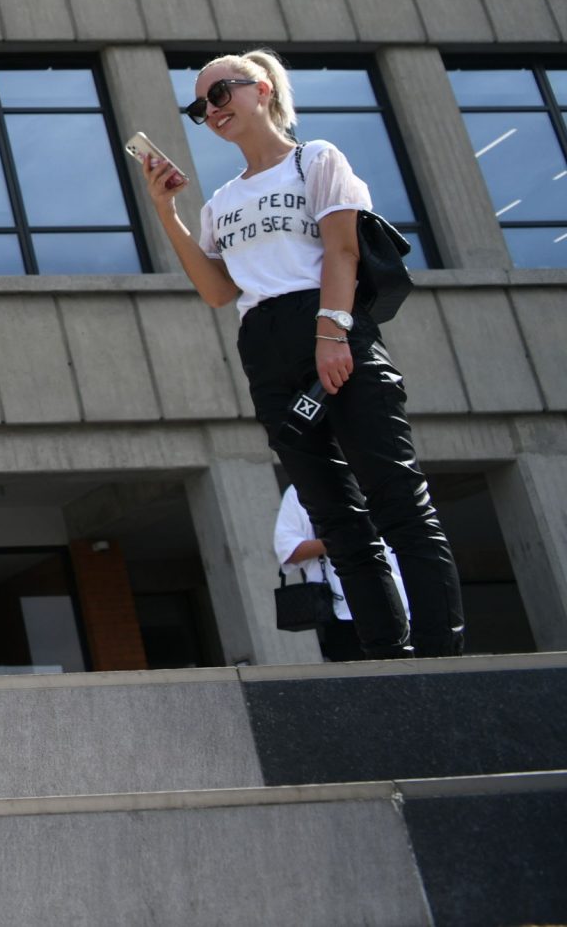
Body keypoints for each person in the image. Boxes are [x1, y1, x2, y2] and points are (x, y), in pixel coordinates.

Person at [139, 48, 463, 658]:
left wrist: (333, 334)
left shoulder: (315, 160)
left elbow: (342, 252)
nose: (211, 111)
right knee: (334, 517)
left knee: (397, 499)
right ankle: (386, 656)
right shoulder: (221, 202)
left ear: (261, 89)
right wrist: (168, 212)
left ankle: (442, 656)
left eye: (220, 94)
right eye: (199, 106)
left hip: (329, 324)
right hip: (263, 345)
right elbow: (217, 291)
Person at [276, 482, 404, 664]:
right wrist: (342, 538)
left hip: (401, 601)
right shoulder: (300, 489)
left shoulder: (375, 475)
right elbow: (288, 551)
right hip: (345, 612)